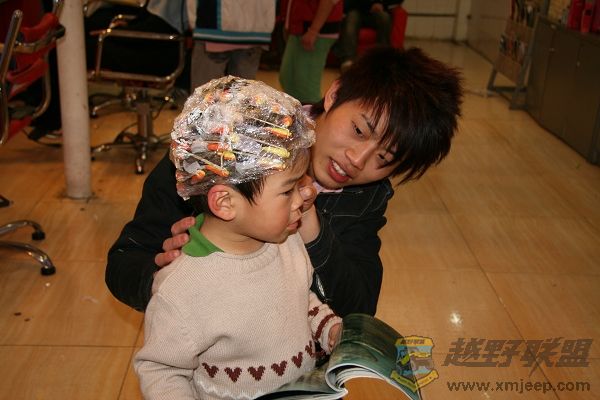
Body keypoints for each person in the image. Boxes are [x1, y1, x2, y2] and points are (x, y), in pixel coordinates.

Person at [105, 46, 464, 317]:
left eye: (384, 159)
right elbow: (124, 263)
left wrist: (313, 230)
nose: (358, 160)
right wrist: (163, 278)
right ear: (335, 94)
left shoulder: (365, 197)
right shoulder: (227, 138)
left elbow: (357, 310)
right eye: (359, 130)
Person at [133, 76, 342, 399]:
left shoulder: (286, 241)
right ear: (225, 202)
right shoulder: (183, 289)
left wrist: (330, 328)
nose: (303, 196)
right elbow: (161, 371)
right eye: (288, 190)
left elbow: (301, 299)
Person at [189, 0, 276, 90]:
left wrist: (192, 22)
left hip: (212, 29)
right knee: (243, 93)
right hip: (256, 26)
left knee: (205, 93)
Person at [278, 0, 344, 104]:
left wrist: (313, 30)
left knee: (305, 86)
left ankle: (312, 113)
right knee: (288, 79)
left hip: (315, 31)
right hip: (300, 28)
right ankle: (299, 112)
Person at [335, 0, 404, 72]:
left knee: (384, 18)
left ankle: (382, 60)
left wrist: (382, 4)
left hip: (379, 11)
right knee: (351, 18)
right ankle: (348, 60)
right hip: (356, 9)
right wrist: (368, 5)